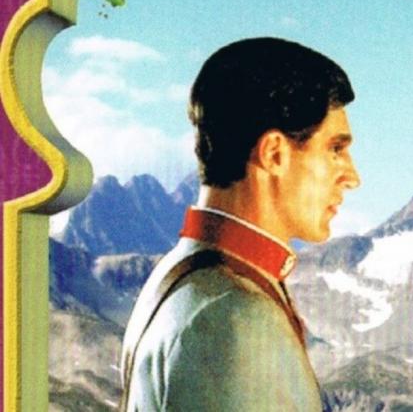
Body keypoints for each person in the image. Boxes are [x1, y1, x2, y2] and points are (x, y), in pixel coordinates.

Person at [119, 37, 361, 411]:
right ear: (275, 153)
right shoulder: (234, 317)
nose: (352, 176)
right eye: (336, 149)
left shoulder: (181, 273)